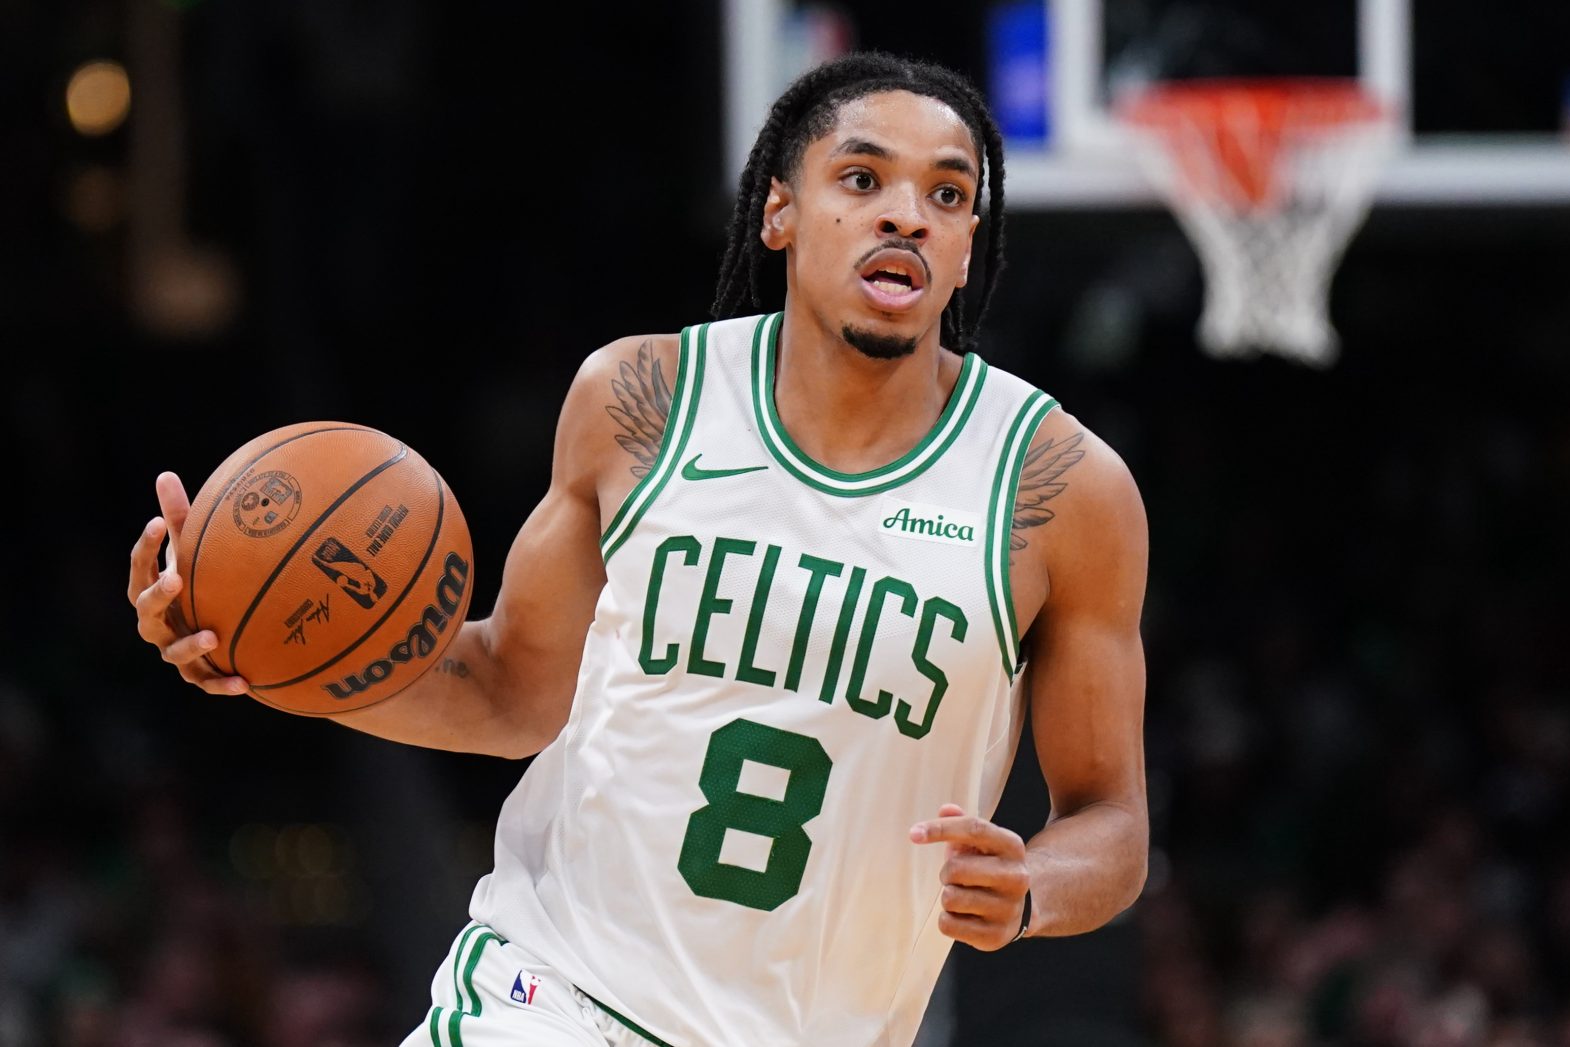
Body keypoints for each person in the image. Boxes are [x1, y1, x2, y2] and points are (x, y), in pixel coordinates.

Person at [128, 52, 1149, 1047]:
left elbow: (1109, 824)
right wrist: (261, 657)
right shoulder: (639, 404)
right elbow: (508, 693)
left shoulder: (1061, 490)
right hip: (553, 994)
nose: (903, 213)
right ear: (778, 212)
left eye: (947, 194)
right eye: (861, 177)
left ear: (967, 246)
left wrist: (1031, 890)